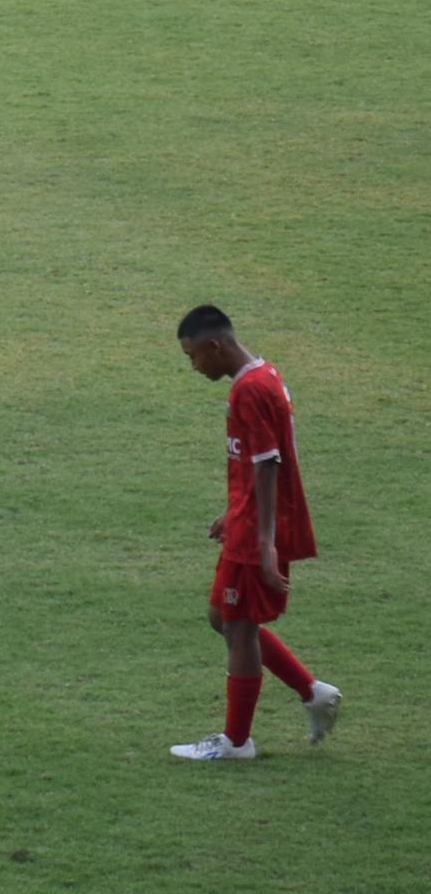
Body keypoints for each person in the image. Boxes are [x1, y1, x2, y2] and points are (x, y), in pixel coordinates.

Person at [170, 304, 338, 760]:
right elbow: (257, 459)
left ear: (215, 346)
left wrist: (264, 540)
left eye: (193, 357)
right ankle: (312, 692)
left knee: (238, 626)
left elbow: (269, 464)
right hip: (250, 519)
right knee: (223, 619)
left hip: (259, 529)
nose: (193, 366)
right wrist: (234, 509)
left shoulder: (249, 390)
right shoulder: (264, 377)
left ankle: (236, 742)